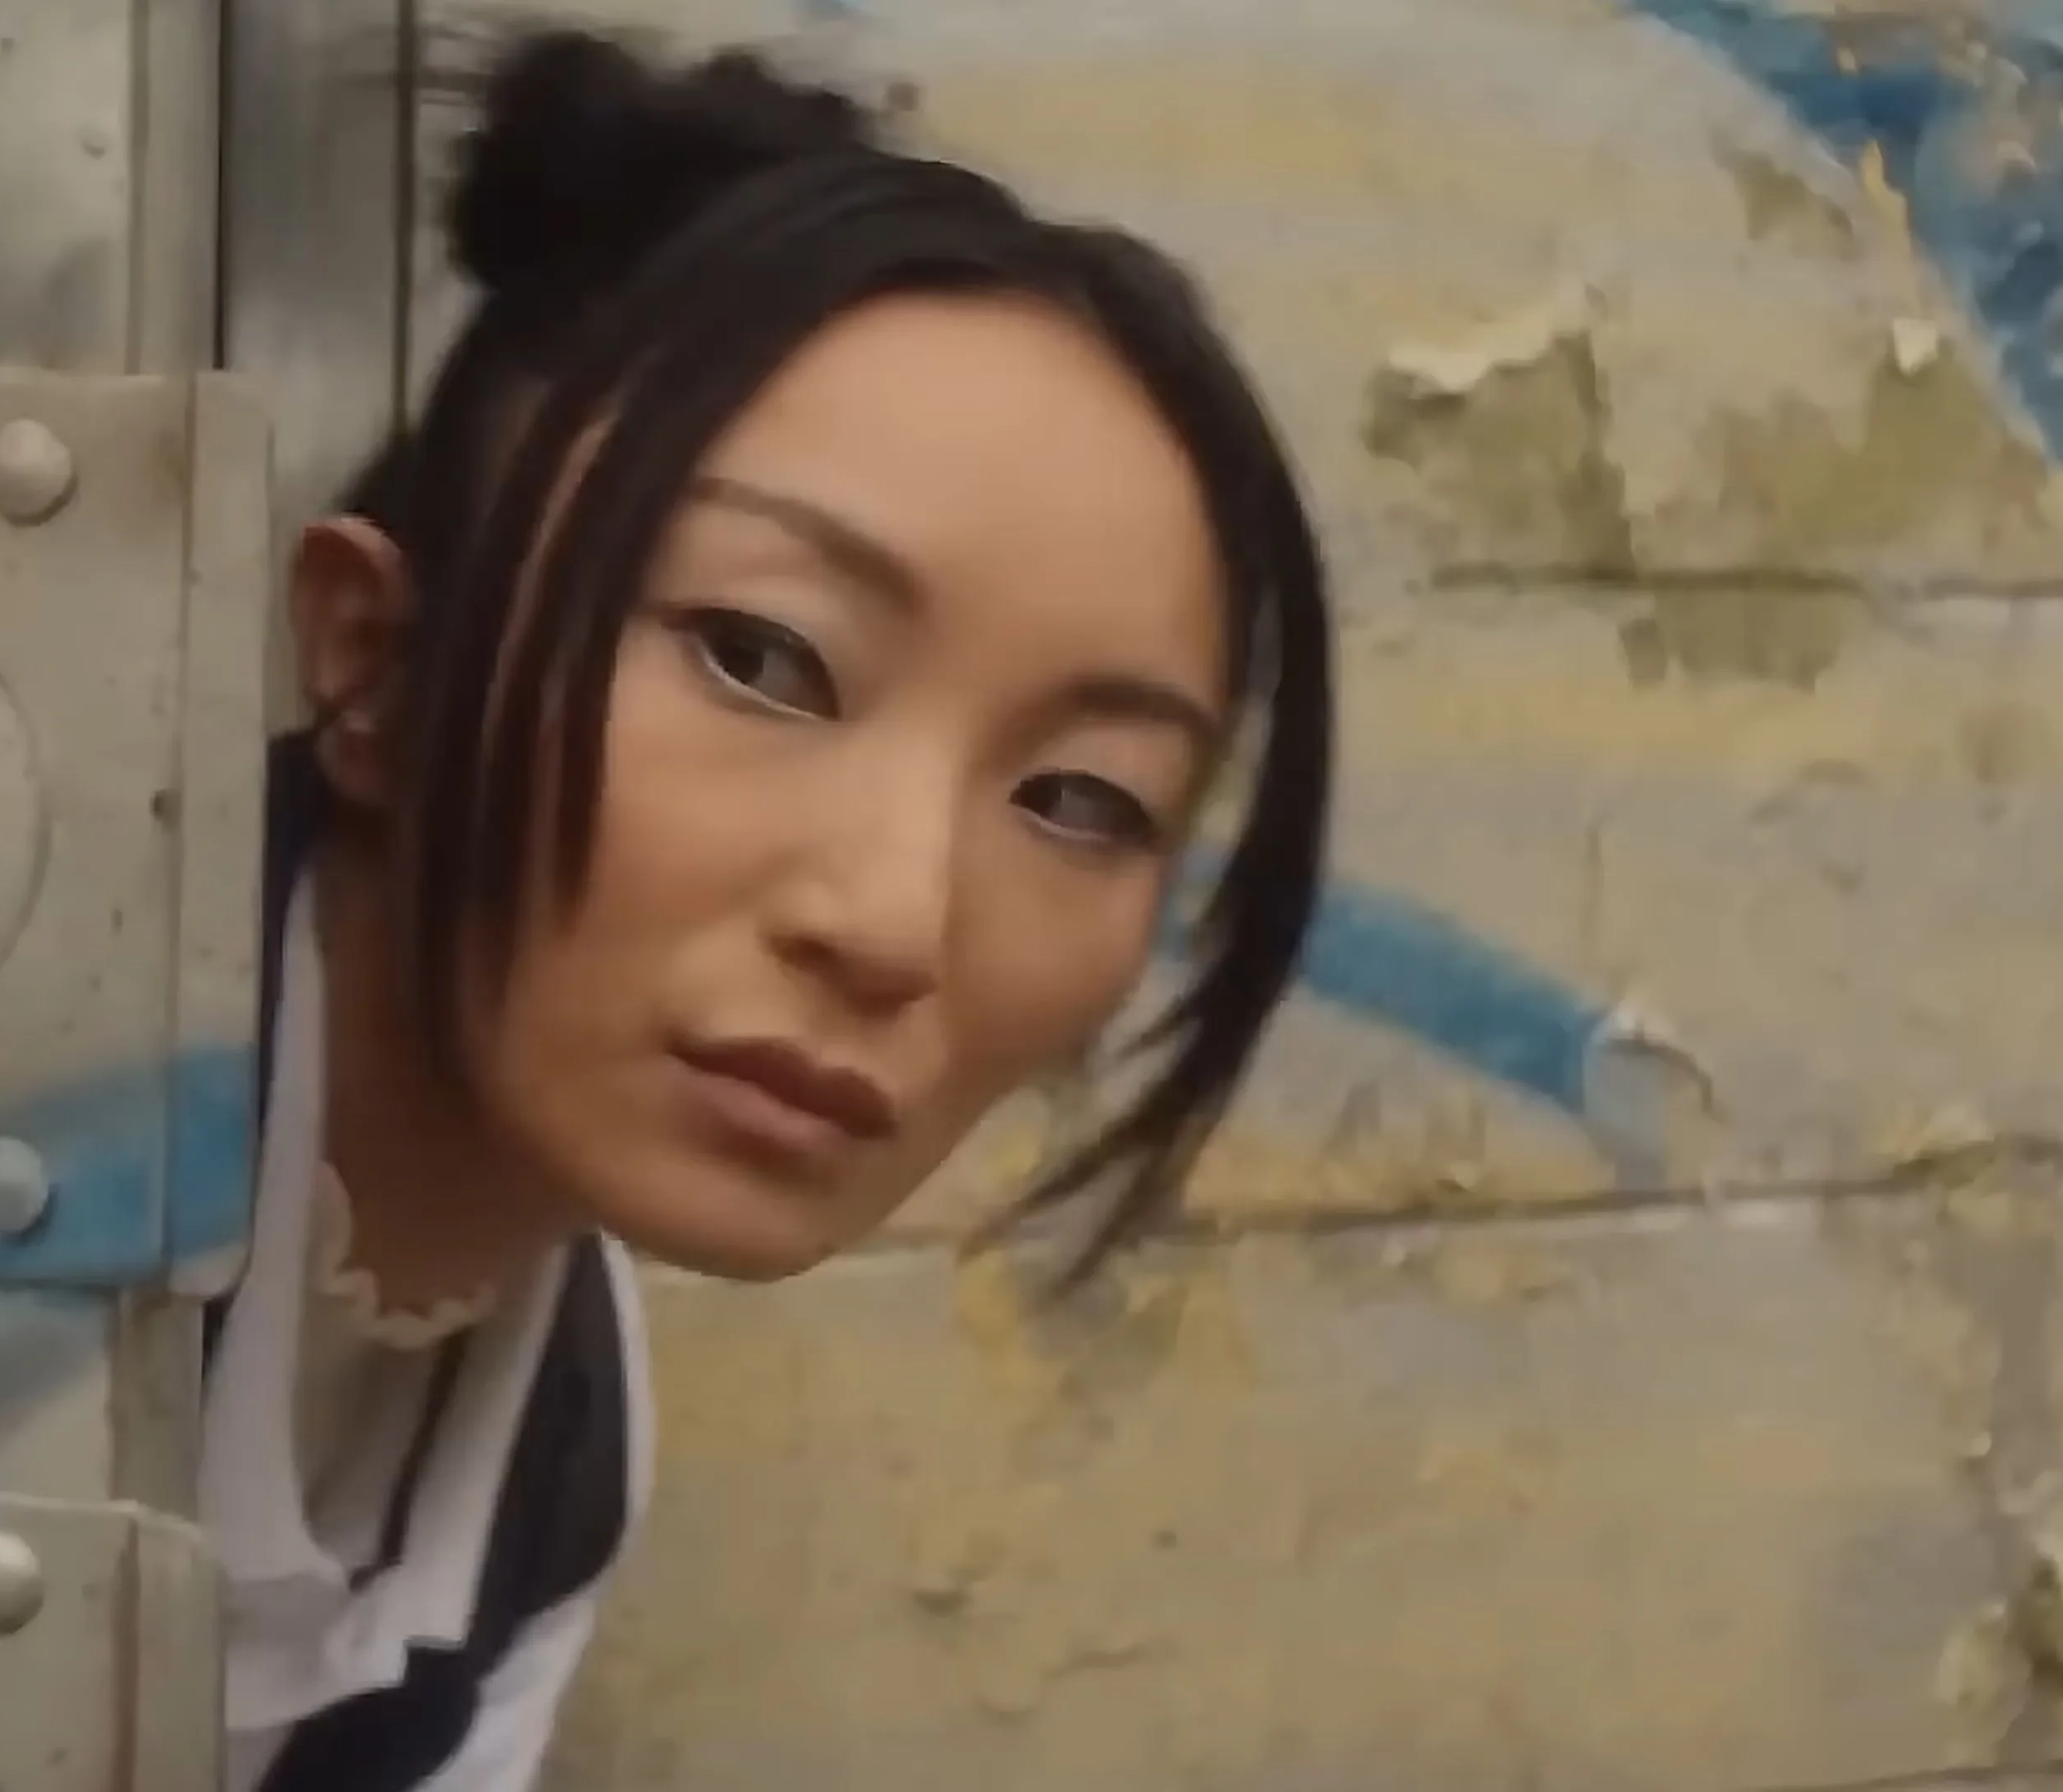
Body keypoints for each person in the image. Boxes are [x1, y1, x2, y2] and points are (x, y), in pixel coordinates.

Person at [198, 27, 1334, 1792]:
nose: (893, 925)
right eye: (761, 656)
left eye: (1080, 800)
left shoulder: (566, 1450)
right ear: (378, 665)